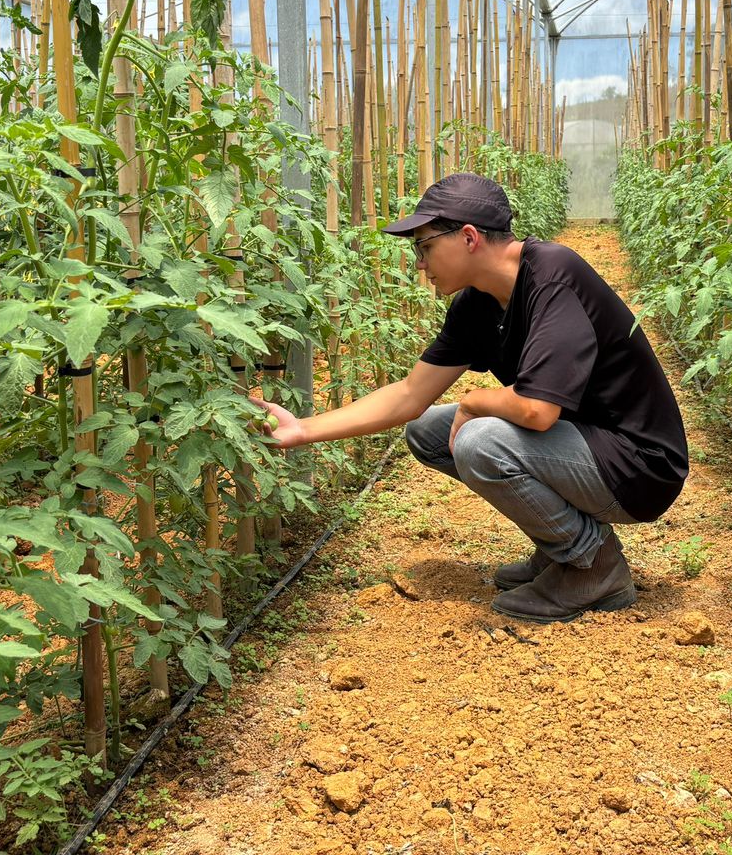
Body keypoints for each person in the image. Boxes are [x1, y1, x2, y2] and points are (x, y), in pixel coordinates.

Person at [255, 172, 689, 623]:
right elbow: (409, 395)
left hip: (639, 467)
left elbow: (538, 412)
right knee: (427, 433)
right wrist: (302, 429)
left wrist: (475, 400)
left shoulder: (554, 275)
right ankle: (565, 546)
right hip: (585, 446)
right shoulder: (477, 303)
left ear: (468, 237)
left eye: (423, 247)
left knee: (479, 441)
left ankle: (593, 566)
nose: (420, 263)